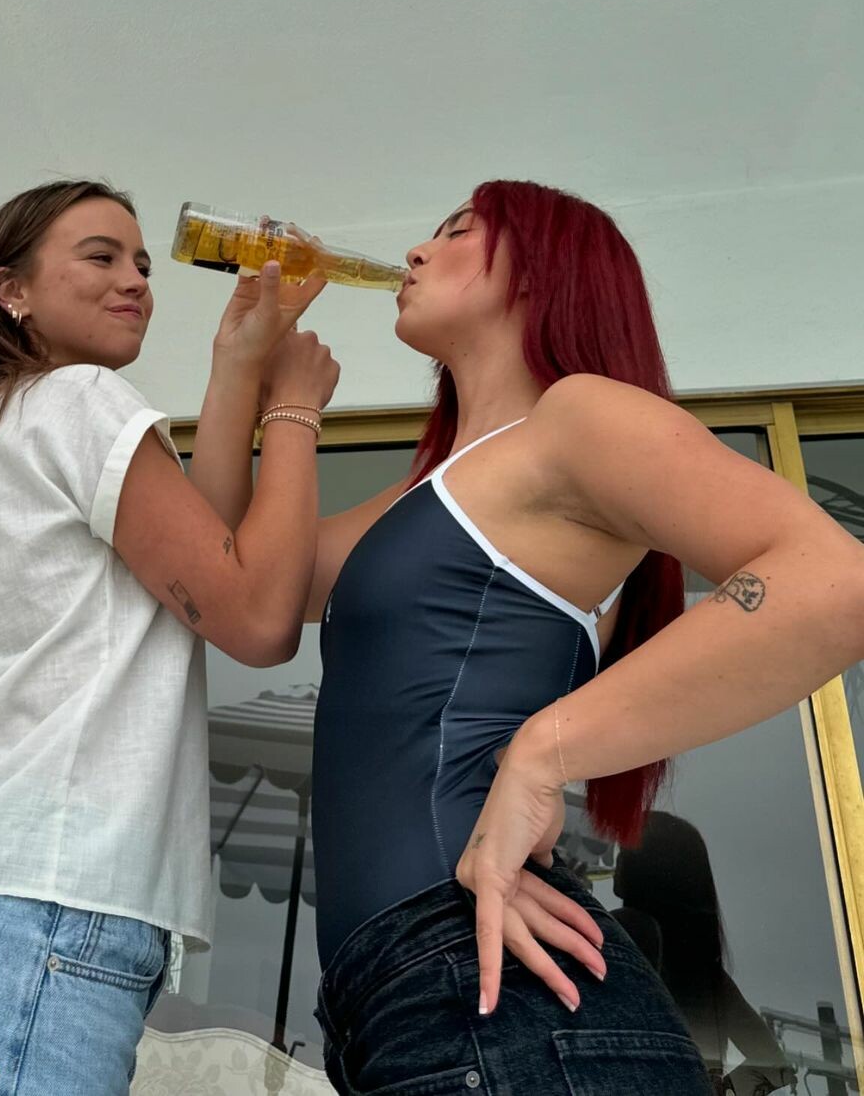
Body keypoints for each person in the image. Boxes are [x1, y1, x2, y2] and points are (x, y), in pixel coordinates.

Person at [298, 180, 864, 1095]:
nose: (415, 251)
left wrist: (541, 755)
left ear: (541, 272)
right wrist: (258, 378)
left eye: (459, 232)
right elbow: (251, 595)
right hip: (405, 995)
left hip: (489, 982)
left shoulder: (577, 417)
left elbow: (836, 583)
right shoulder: (431, 491)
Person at [0, 179, 343, 1095]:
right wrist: (292, 407)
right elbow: (252, 615)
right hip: (24, 934)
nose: (136, 280)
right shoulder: (80, 399)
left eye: (143, 265)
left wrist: (235, 366)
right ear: (11, 290)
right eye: (100, 256)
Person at [613, 813, 793, 1095]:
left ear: (649, 869)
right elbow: (775, 1066)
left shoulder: (620, 935)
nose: (616, 862)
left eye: (624, 853)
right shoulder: (706, 976)